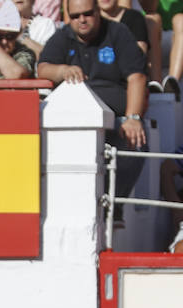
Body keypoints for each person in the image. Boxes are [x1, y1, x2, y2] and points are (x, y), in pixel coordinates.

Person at [37, 0, 148, 213]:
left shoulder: (118, 32)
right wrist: (62, 71)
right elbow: (42, 68)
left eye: (87, 14)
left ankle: (112, 209)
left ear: (98, 12)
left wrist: (133, 117)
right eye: (76, 16)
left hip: (116, 120)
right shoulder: (63, 36)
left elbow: (137, 77)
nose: (82, 20)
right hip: (74, 122)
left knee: (136, 144)